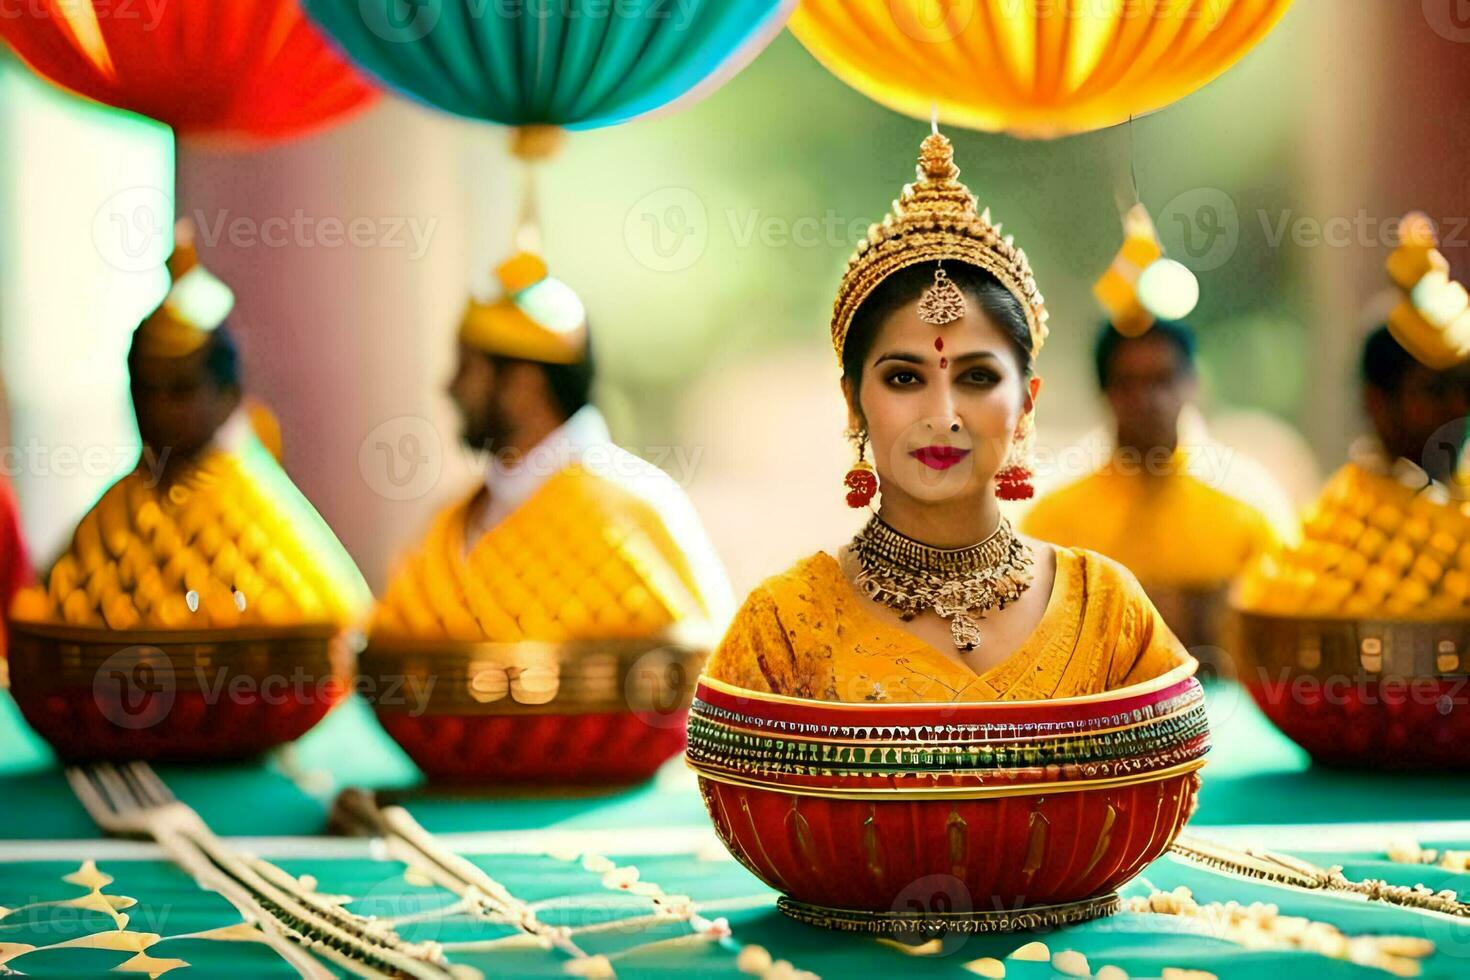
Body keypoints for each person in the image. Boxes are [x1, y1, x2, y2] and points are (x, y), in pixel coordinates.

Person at [703, 131, 1191, 704]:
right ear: (853, 401)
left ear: (1027, 401)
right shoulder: (782, 631)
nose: (943, 416)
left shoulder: (1107, 612)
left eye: (977, 377)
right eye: (904, 378)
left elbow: (1165, 792)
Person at [11, 229, 368, 631]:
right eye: (146, 388)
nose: (159, 408)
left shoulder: (262, 517)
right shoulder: (106, 526)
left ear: (228, 395)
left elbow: (333, 624)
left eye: (181, 390)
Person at [373, 251, 732, 644]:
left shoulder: (632, 512)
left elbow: (692, 674)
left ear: (523, 386)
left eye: (468, 368)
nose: (450, 387)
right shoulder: (452, 522)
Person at [1020, 320, 1297, 646]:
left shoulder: (1245, 519)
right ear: (1106, 392)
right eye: (1128, 384)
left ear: (1191, 383)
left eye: (1161, 381)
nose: (1147, 400)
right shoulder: (1052, 525)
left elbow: (1276, 640)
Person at [1235, 326, 1470, 620]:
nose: (1458, 408)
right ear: (1378, 402)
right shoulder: (1338, 529)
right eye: (1436, 391)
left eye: (1465, 389)